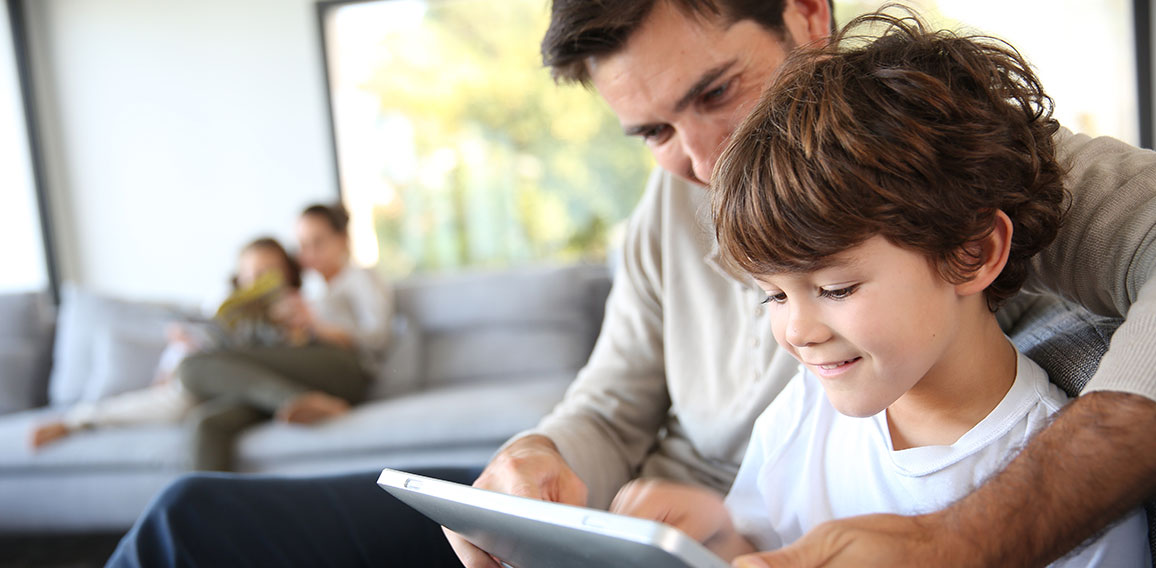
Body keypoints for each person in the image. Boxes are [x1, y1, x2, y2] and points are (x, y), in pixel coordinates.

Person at [106, 1, 1156, 566]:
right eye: (652, 130)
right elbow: (612, 398)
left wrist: (971, 541)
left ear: (807, 15)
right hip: (644, 528)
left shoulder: (954, 163)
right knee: (189, 521)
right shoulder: (673, 206)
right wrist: (542, 466)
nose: (699, 161)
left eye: (717, 93)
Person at [607, 12, 1149, 566]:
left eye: (837, 288)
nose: (796, 331)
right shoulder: (801, 413)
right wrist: (718, 540)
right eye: (774, 295)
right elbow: (769, 546)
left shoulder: (1075, 504)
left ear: (974, 252)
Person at [28, 237, 303, 451]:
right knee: (180, 396)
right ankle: (79, 419)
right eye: (251, 274)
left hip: (254, 387)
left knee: (190, 402)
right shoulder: (221, 307)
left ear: (287, 274)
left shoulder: (300, 310)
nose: (258, 281)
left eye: (268, 272)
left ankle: (81, 420)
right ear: (239, 277)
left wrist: (297, 325)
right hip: (210, 383)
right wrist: (179, 354)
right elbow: (190, 349)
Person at [178, 203, 395, 471]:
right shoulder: (313, 288)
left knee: (192, 366)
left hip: (343, 367)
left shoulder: (360, 277)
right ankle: (206, 511)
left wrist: (315, 325)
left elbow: (376, 338)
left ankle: (289, 398)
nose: (309, 253)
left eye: (318, 242)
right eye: (303, 246)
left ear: (342, 240)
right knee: (208, 423)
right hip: (302, 376)